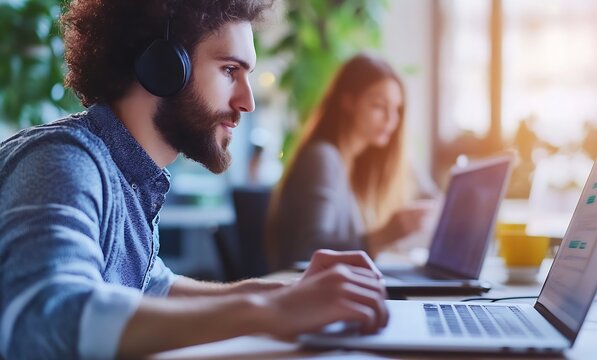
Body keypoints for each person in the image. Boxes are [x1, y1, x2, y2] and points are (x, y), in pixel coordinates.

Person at [0, 1, 388, 359]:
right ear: (164, 67)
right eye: (229, 70)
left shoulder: (130, 178)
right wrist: (269, 310)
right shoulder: (65, 160)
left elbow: (154, 289)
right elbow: (43, 318)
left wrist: (290, 292)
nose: (247, 101)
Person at [266, 54, 435, 271]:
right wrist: (384, 235)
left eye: (397, 110)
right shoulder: (322, 158)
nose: (391, 120)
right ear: (348, 102)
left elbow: (430, 195)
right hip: (309, 296)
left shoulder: (353, 164)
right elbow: (307, 252)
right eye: (378, 106)